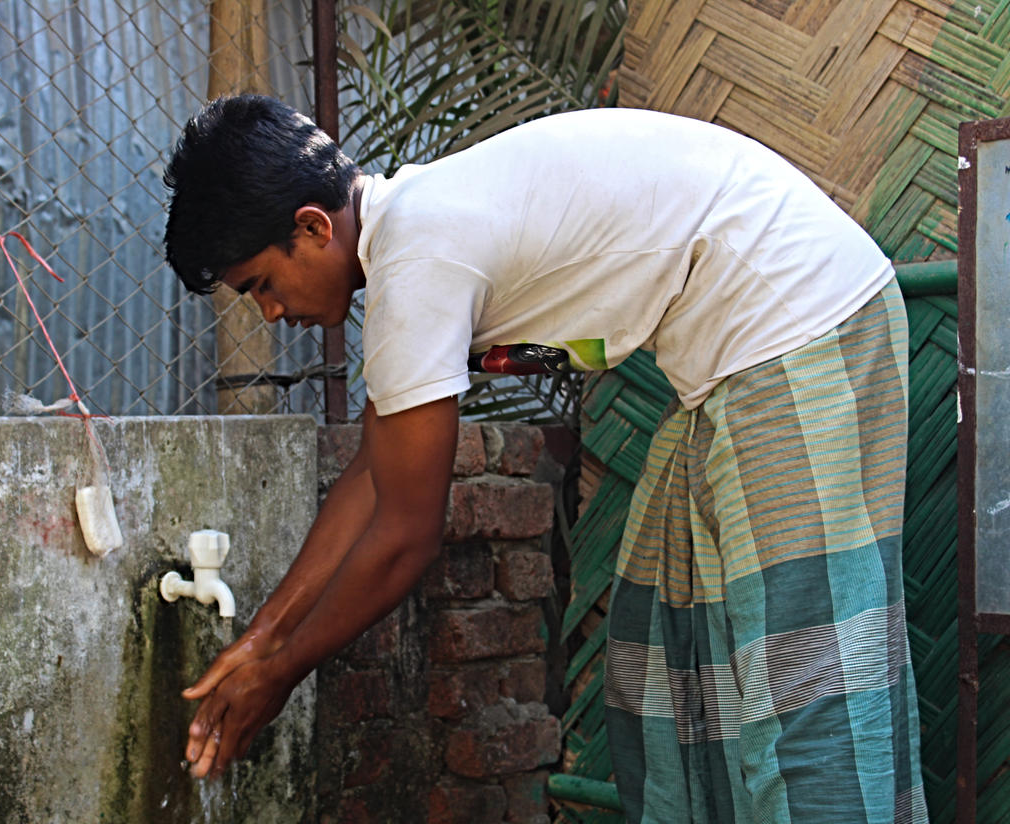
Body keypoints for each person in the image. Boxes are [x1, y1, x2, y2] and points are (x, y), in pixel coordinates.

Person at [162, 94, 927, 823]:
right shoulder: (416, 231)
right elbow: (374, 471)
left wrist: (280, 675)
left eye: (261, 283)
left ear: (313, 226)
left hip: (797, 330)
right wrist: (261, 639)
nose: (270, 310)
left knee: (805, 677)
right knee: (676, 655)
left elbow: (404, 534)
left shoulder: (416, 256)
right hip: (738, 360)